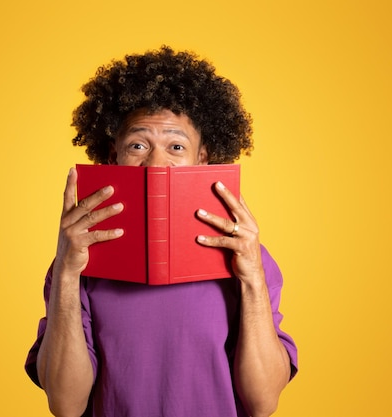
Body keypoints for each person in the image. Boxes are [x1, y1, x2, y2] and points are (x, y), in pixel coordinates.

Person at [25, 46, 298, 417]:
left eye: (176, 146)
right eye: (138, 145)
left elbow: (262, 402)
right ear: (113, 156)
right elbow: (66, 405)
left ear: (202, 158)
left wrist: (251, 279)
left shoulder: (248, 257)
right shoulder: (78, 260)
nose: (156, 163)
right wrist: (67, 274)